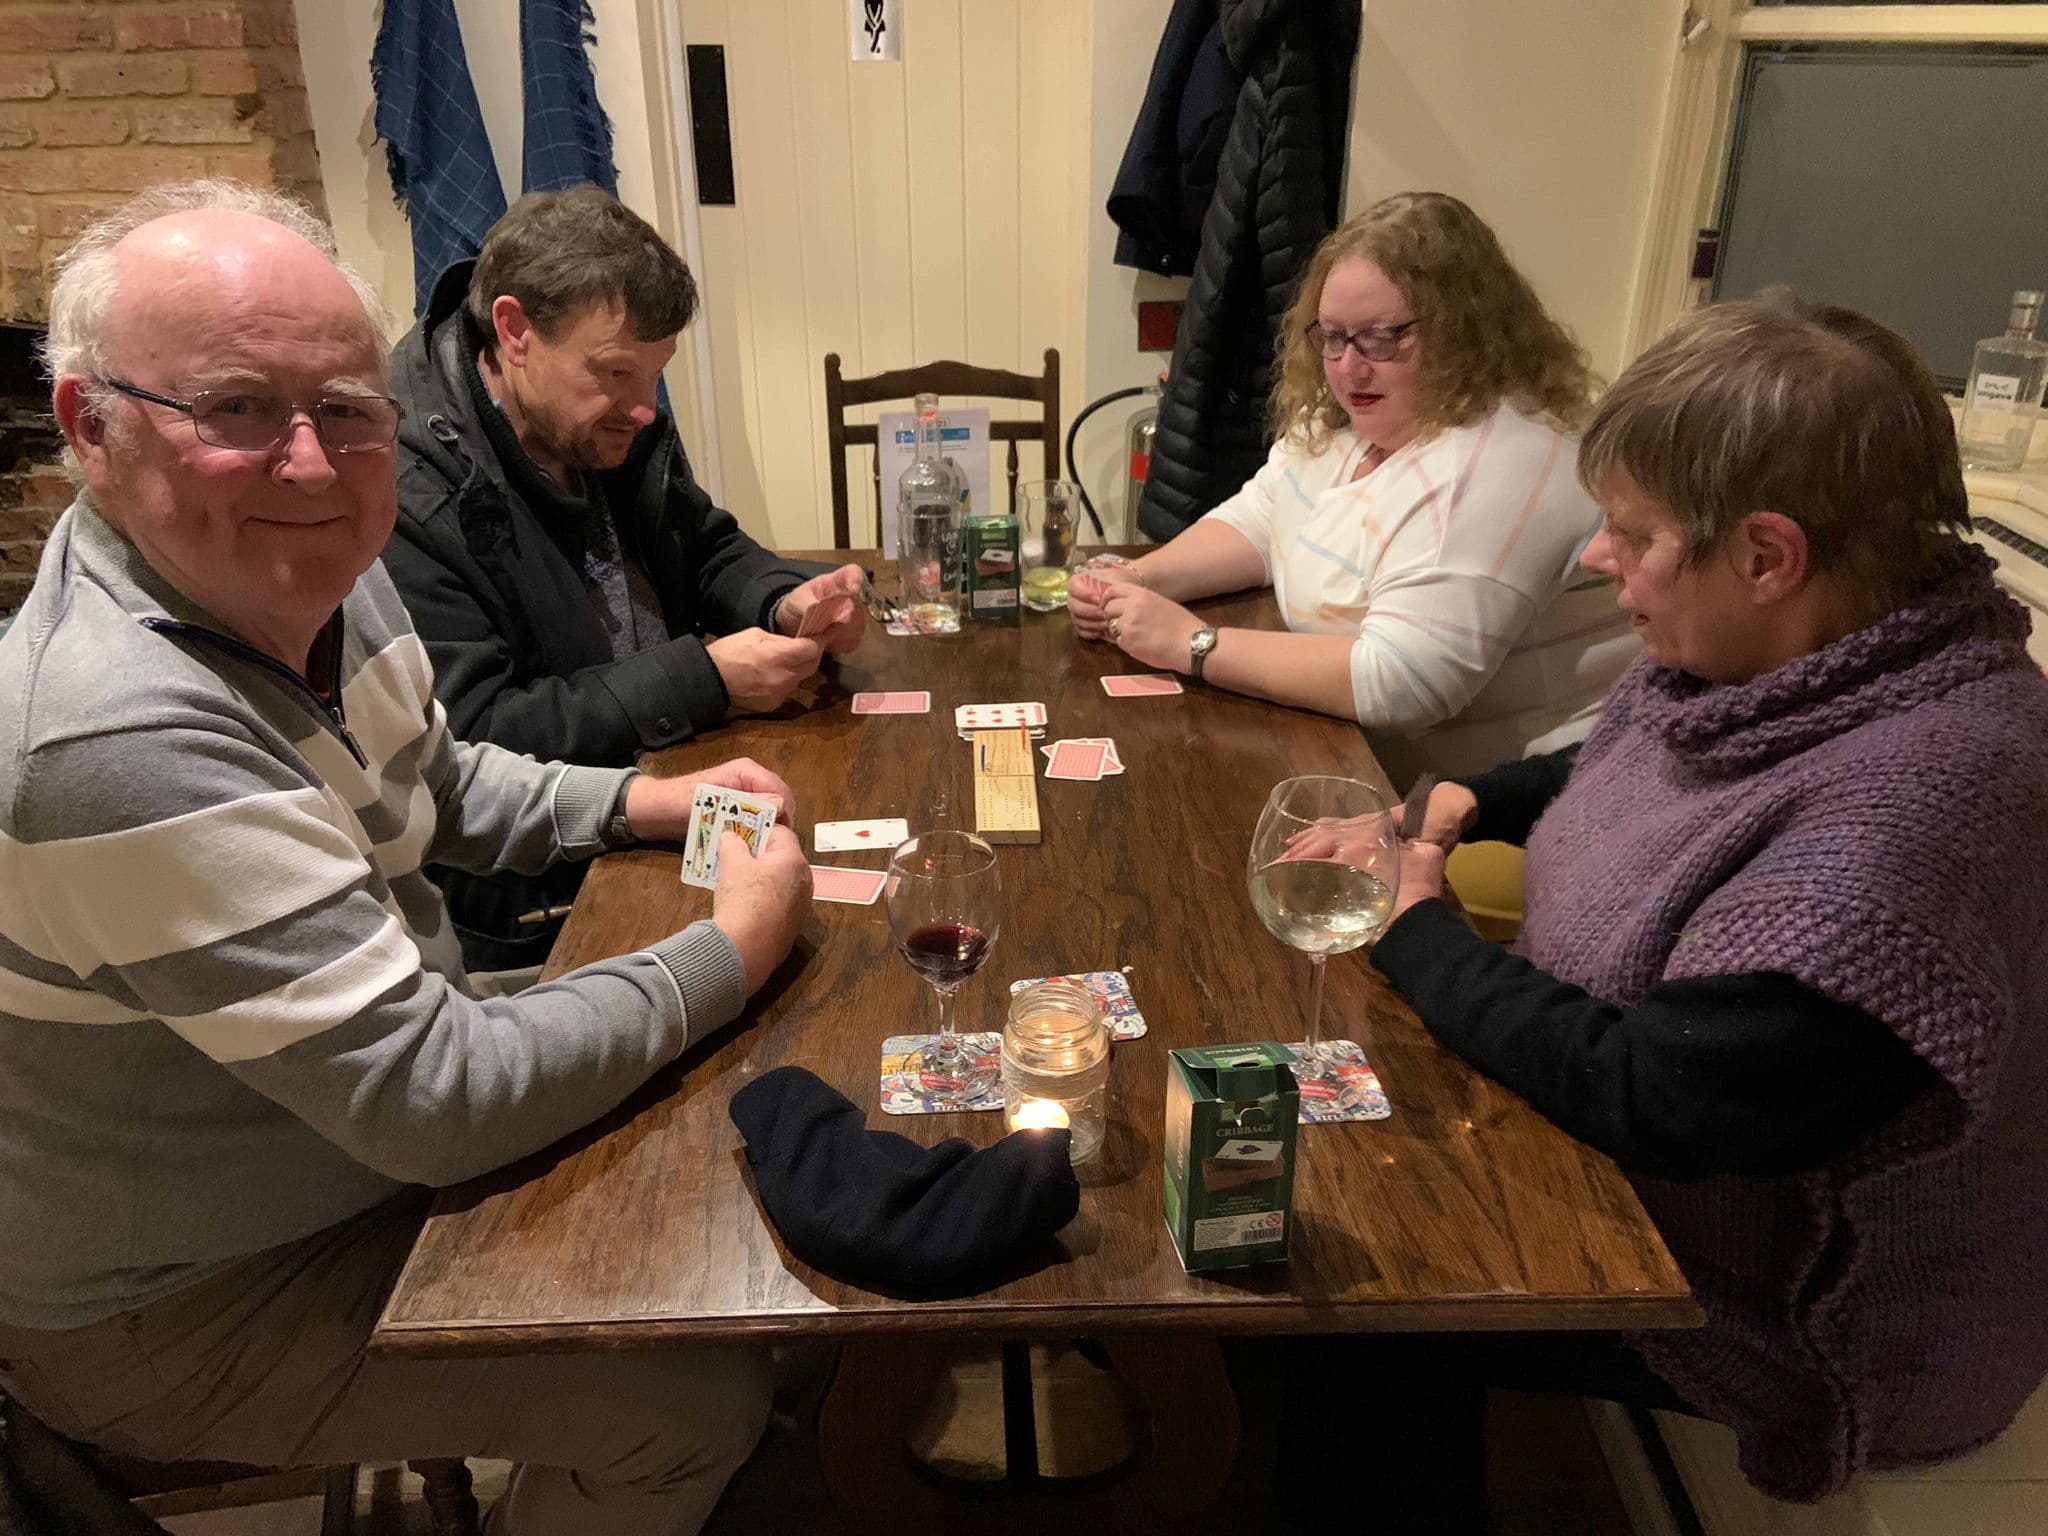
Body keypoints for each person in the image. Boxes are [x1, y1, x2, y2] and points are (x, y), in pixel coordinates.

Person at [0, 181, 816, 1535]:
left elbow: (439, 780)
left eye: (343, 407)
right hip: (181, 1292)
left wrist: (642, 803)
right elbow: (437, 1096)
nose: (311, 463)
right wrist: (737, 938)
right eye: (236, 408)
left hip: (336, 1118)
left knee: (737, 1154)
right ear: (92, 426)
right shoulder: (109, 734)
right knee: (692, 1399)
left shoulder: (319, 566)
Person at [1291, 294, 2048, 1528]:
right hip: (1657, 1169)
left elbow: (1658, 1095)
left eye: (1629, 534)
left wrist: (1412, 924)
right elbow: (1621, 762)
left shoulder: (1914, 822)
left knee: (1366, 1305)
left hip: (1797, 1311)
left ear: (1763, 554)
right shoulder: (1800, 653)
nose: (1595, 558)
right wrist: (1452, 806)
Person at [382, 185, 866, 973]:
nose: (643, 409)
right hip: (544, 907)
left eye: (656, 376)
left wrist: (785, 600)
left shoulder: (602, 416)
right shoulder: (408, 489)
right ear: (514, 331)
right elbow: (475, 740)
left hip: (669, 784)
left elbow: (702, 545)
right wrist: (704, 677)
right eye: (615, 373)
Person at [1069, 192, 1638, 784]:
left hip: (1495, 795)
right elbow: (1262, 521)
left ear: (1467, 332)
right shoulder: (1356, 419)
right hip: (1347, 754)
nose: (1347, 367)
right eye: (1332, 336)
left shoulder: (1503, 460)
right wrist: (1138, 578)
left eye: (1383, 337)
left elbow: (1403, 683)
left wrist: (1191, 642)